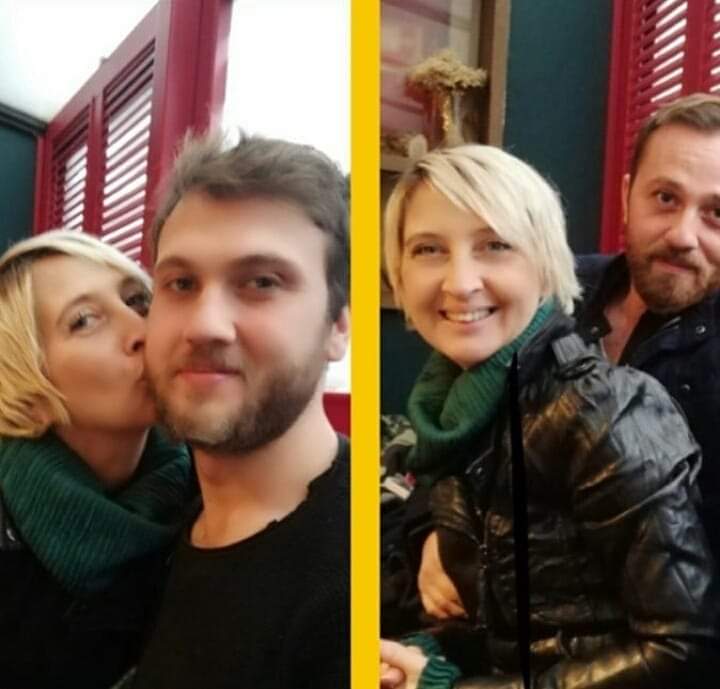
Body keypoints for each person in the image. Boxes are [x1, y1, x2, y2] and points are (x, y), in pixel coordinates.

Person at [379, 144, 719, 689]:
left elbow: (681, 650)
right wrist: (430, 650)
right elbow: (528, 618)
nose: (460, 282)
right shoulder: (456, 405)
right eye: (428, 249)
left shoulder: (606, 412)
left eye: (495, 245)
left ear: (544, 264)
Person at [130, 133, 350, 689]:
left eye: (261, 282)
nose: (205, 325)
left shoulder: (351, 589)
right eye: (181, 283)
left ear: (339, 326)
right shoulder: (149, 522)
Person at [0, 230, 195, 689]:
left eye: (138, 301)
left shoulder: (217, 491)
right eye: (85, 320)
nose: (141, 332)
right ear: (27, 387)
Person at [574, 92, 720, 562]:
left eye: (716, 214)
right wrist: (432, 528)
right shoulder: (554, 291)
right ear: (626, 197)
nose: (682, 235)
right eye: (665, 198)